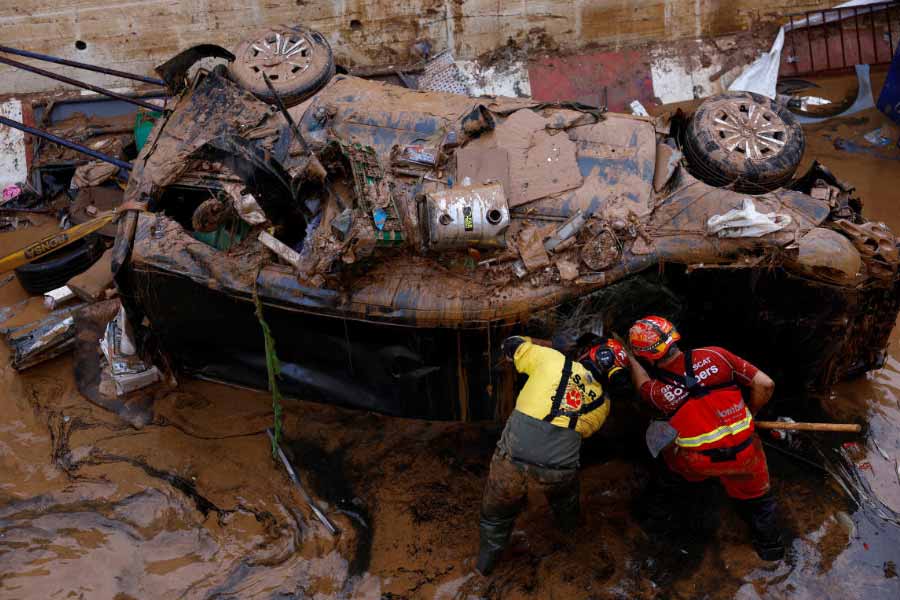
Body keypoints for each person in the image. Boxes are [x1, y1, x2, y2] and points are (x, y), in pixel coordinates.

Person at [625, 315, 784, 560]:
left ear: (647, 356)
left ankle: (668, 507)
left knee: (670, 461)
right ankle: (771, 550)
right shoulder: (716, 355)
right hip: (745, 453)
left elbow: (642, 384)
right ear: (674, 336)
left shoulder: (657, 393)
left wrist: (630, 358)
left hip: (699, 462)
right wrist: (751, 413)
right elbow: (766, 384)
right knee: (759, 502)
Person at [475, 334, 629, 576]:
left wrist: (550, 344)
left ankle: (484, 566)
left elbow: (510, 344)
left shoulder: (552, 360)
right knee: (566, 500)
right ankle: (571, 539)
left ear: (587, 353)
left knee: (496, 517)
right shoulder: (603, 404)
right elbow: (585, 431)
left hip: (511, 461)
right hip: (558, 472)